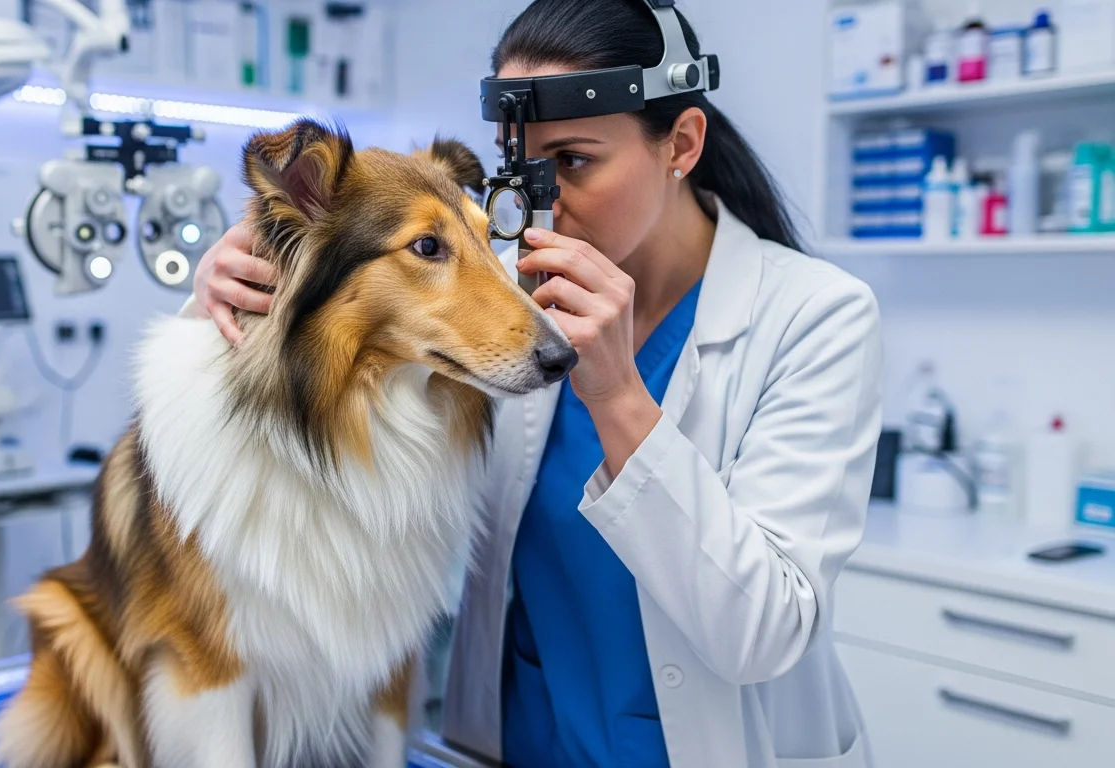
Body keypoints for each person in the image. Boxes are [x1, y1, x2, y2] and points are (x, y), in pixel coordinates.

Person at [188, 1, 882, 766]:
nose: (538, 203)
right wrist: (241, 289)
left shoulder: (817, 316)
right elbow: (321, 422)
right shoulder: (509, 298)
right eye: (521, 169)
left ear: (680, 144)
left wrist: (617, 395)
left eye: (575, 161)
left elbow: (766, 634)